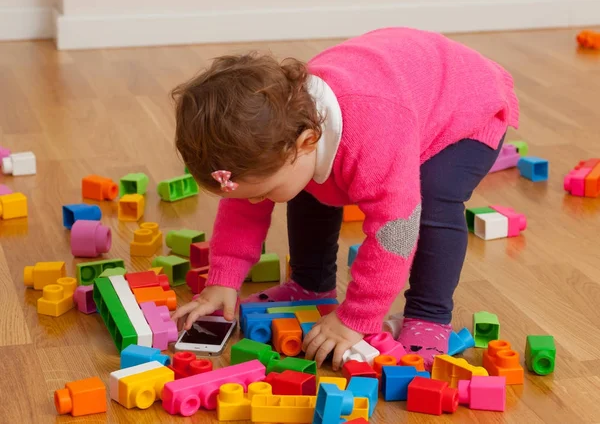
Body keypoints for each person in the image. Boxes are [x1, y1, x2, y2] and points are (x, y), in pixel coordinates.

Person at [171, 27, 519, 370]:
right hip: (402, 89)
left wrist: (357, 317)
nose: (257, 201)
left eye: (263, 193)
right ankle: (311, 285)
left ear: (307, 141)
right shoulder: (278, 139)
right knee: (306, 183)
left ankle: (430, 313)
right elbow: (242, 208)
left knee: (433, 198)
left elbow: (395, 231)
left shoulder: (372, 139)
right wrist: (222, 280)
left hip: (466, 108)